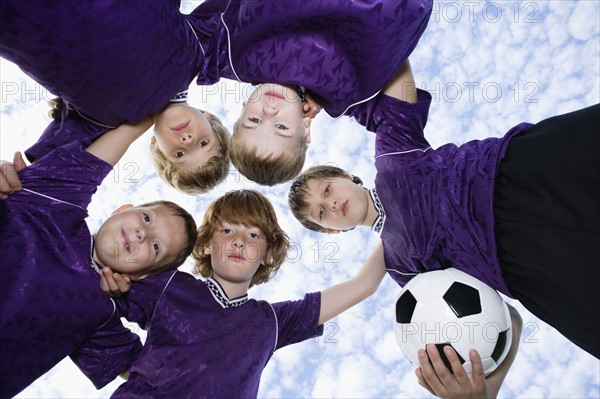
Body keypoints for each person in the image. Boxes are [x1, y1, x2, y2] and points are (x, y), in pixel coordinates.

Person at [288, 60, 600, 360]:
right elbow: (503, 319)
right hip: (527, 262)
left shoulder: (392, 155)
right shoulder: (395, 263)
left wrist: (327, 92)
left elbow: (396, 68)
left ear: (345, 176)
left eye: (327, 190)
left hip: (519, 173)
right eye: (321, 213)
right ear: (333, 230)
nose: (330, 204)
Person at [1, 0, 433, 190]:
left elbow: (56, 166)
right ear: (214, 117)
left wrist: (22, 177)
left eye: (181, 153)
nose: (189, 141)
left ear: (157, 145)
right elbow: (398, 112)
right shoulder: (209, 51)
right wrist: (324, 96)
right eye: (206, 143)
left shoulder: (105, 121)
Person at [89, 189, 386, 397]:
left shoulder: (272, 321)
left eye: (253, 234)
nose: (239, 241)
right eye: (227, 231)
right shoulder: (168, 285)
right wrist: (106, 292)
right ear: (206, 245)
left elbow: (364, 284)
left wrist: (401, 225)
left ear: (267, 254)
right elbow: (89, 300)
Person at [0, 113, 198, 397]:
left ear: (142, 274)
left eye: (156, 247)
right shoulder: (52, 202)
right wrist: (162, 108)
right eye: (145, 218)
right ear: (121, 209)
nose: (144, 234)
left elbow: (153, 375)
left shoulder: (100, 313)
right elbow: (126, 131)